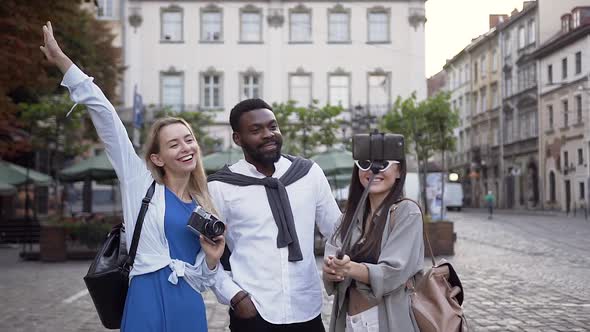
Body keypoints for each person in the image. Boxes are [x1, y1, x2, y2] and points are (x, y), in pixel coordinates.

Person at [40, 22, 225, 331]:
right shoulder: (140, 184)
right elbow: (106, 117)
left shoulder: (204, 200)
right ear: (156, 157)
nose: (186, 148)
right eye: (174, 143)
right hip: (145, 299)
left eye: (189, 139)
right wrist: (63, 61)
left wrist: (211, 258)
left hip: (188, 306)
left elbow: (203, 280)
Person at [207, 99, 342, 331]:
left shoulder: (308, 174)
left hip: (306, 308)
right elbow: (205, 254)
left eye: (273, 126)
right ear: (237, 139)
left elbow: (337, 232)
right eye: (256, 130)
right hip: (253, 312)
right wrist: (235, 296)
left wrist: (334, 268)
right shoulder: (220, 187)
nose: (268, 134)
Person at [323, 156, 425, 331]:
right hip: (348, 321)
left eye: (383, 164)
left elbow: (393, 272)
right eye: (365, 163)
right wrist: (331, 271)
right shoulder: (346, 218)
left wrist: (348, 268)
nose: (373, 170)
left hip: (388, 321)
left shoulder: (407, 212)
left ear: (399, 170)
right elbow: (331, 267)